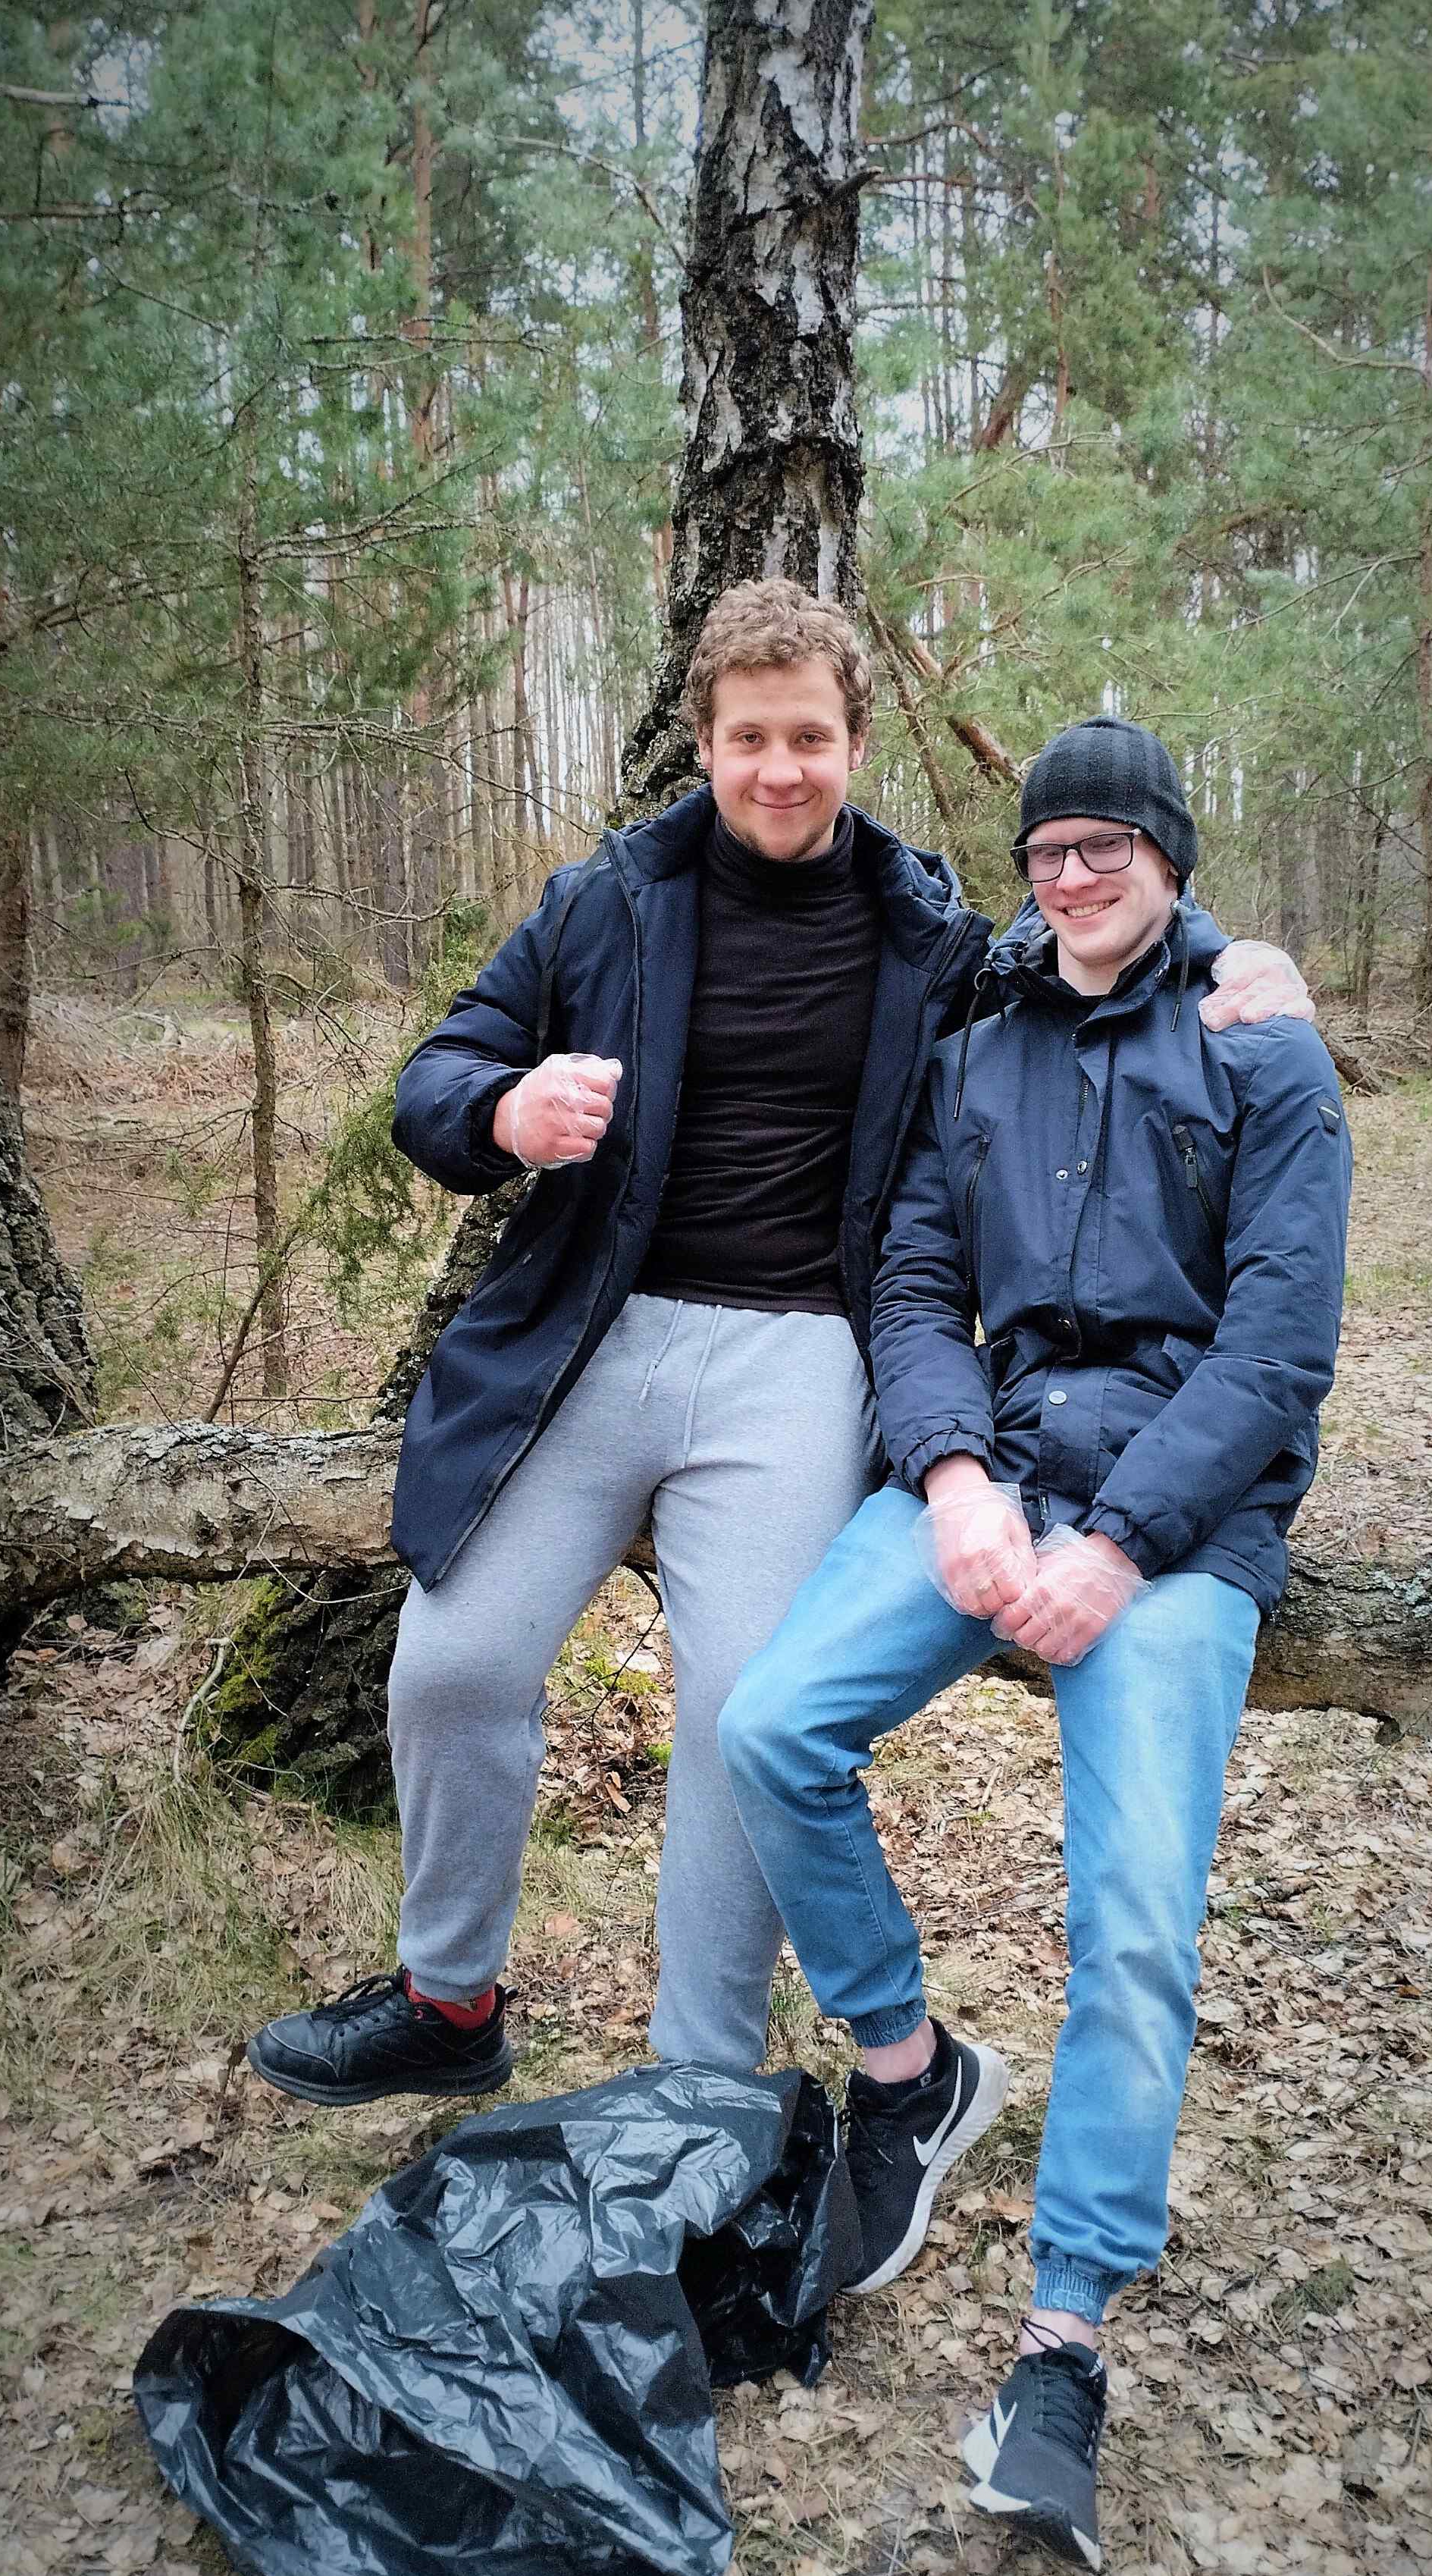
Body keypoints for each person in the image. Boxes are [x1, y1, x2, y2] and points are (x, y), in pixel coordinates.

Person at [245, 595, 1313, 2108]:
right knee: (453, 1661)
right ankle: (447, 1997)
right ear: (704, 744)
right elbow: (442, 1071)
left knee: (742, 1706)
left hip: (803, 1351)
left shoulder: (930, 936)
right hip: (592, 1340)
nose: (780, 767)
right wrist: (502, 1111)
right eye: (748, 737)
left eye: (810, 736)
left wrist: (1246, 962)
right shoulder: (608, 901)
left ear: (855, 744)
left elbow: (1092, 957)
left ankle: (700, 2082)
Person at [717, 714, 1351, 2569]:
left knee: (1134, 1924)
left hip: (1178, 1520)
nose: (1072, 878)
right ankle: (907, 2065)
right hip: (994, 1465)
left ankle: (1061, 2339)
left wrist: (1124, 1542)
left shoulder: (1260, 1046)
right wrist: (949, 1474)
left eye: (1105, 849)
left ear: (1168, 855)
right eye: (1046, 852)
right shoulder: (976, 1035)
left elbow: (1277, 1347)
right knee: (769, 1726)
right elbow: (913, 1280)